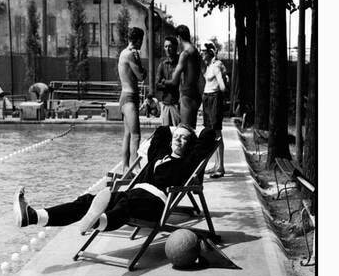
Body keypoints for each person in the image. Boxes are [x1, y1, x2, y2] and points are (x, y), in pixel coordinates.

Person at [13, 125, 216, 234]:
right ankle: (33, 216)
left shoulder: (189, 160)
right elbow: (162, 131)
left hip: (155, 202)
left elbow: (208, 134)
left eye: (184, 138)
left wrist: (193, 133)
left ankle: (100, 221)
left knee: (125, 203)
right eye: (177, 136)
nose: (178, 140)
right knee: (87, 200)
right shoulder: (159, 153)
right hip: (134, 192)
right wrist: (176, 129)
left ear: (191, 144)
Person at [117, 27, 147, 173]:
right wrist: (141, 62)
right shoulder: (130, 55)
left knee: (128, 134)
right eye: (142, 40)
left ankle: (125, 168)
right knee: (136, 135)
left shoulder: (123, 53)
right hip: (129, 98)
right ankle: (135, 169)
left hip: (125, 97)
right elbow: (141, 76)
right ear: (138, 40)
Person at [160, 25, 202, 128]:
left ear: (178, 38)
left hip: (186, 94)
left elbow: (174, 80)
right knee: (191, 130)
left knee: (185, 131)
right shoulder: (196, 52)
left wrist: (164, 82)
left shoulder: (185, 54)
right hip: (196, 93)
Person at [201, 41, 227, 178]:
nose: (201, 54)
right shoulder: (209, 66)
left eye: (203, 52)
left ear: (210, 53)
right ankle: (216, 164)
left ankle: (221, 166)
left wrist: (222, 86)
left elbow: (222, 86)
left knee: (217, 133)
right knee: (211, 133)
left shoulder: (216, 67)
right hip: (207, 98)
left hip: (214, 98)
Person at [155, 36, 181, 126]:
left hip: (177, 104)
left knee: (178, 133)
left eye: (170, 46)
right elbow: (157, 85)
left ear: (175, 47)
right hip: (165, 104)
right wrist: (169, 84)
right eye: (165, 46)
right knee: (166, 133)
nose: (167, 49)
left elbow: (178, 83)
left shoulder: (180, 62)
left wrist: (164, 82)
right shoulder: (162, 64)